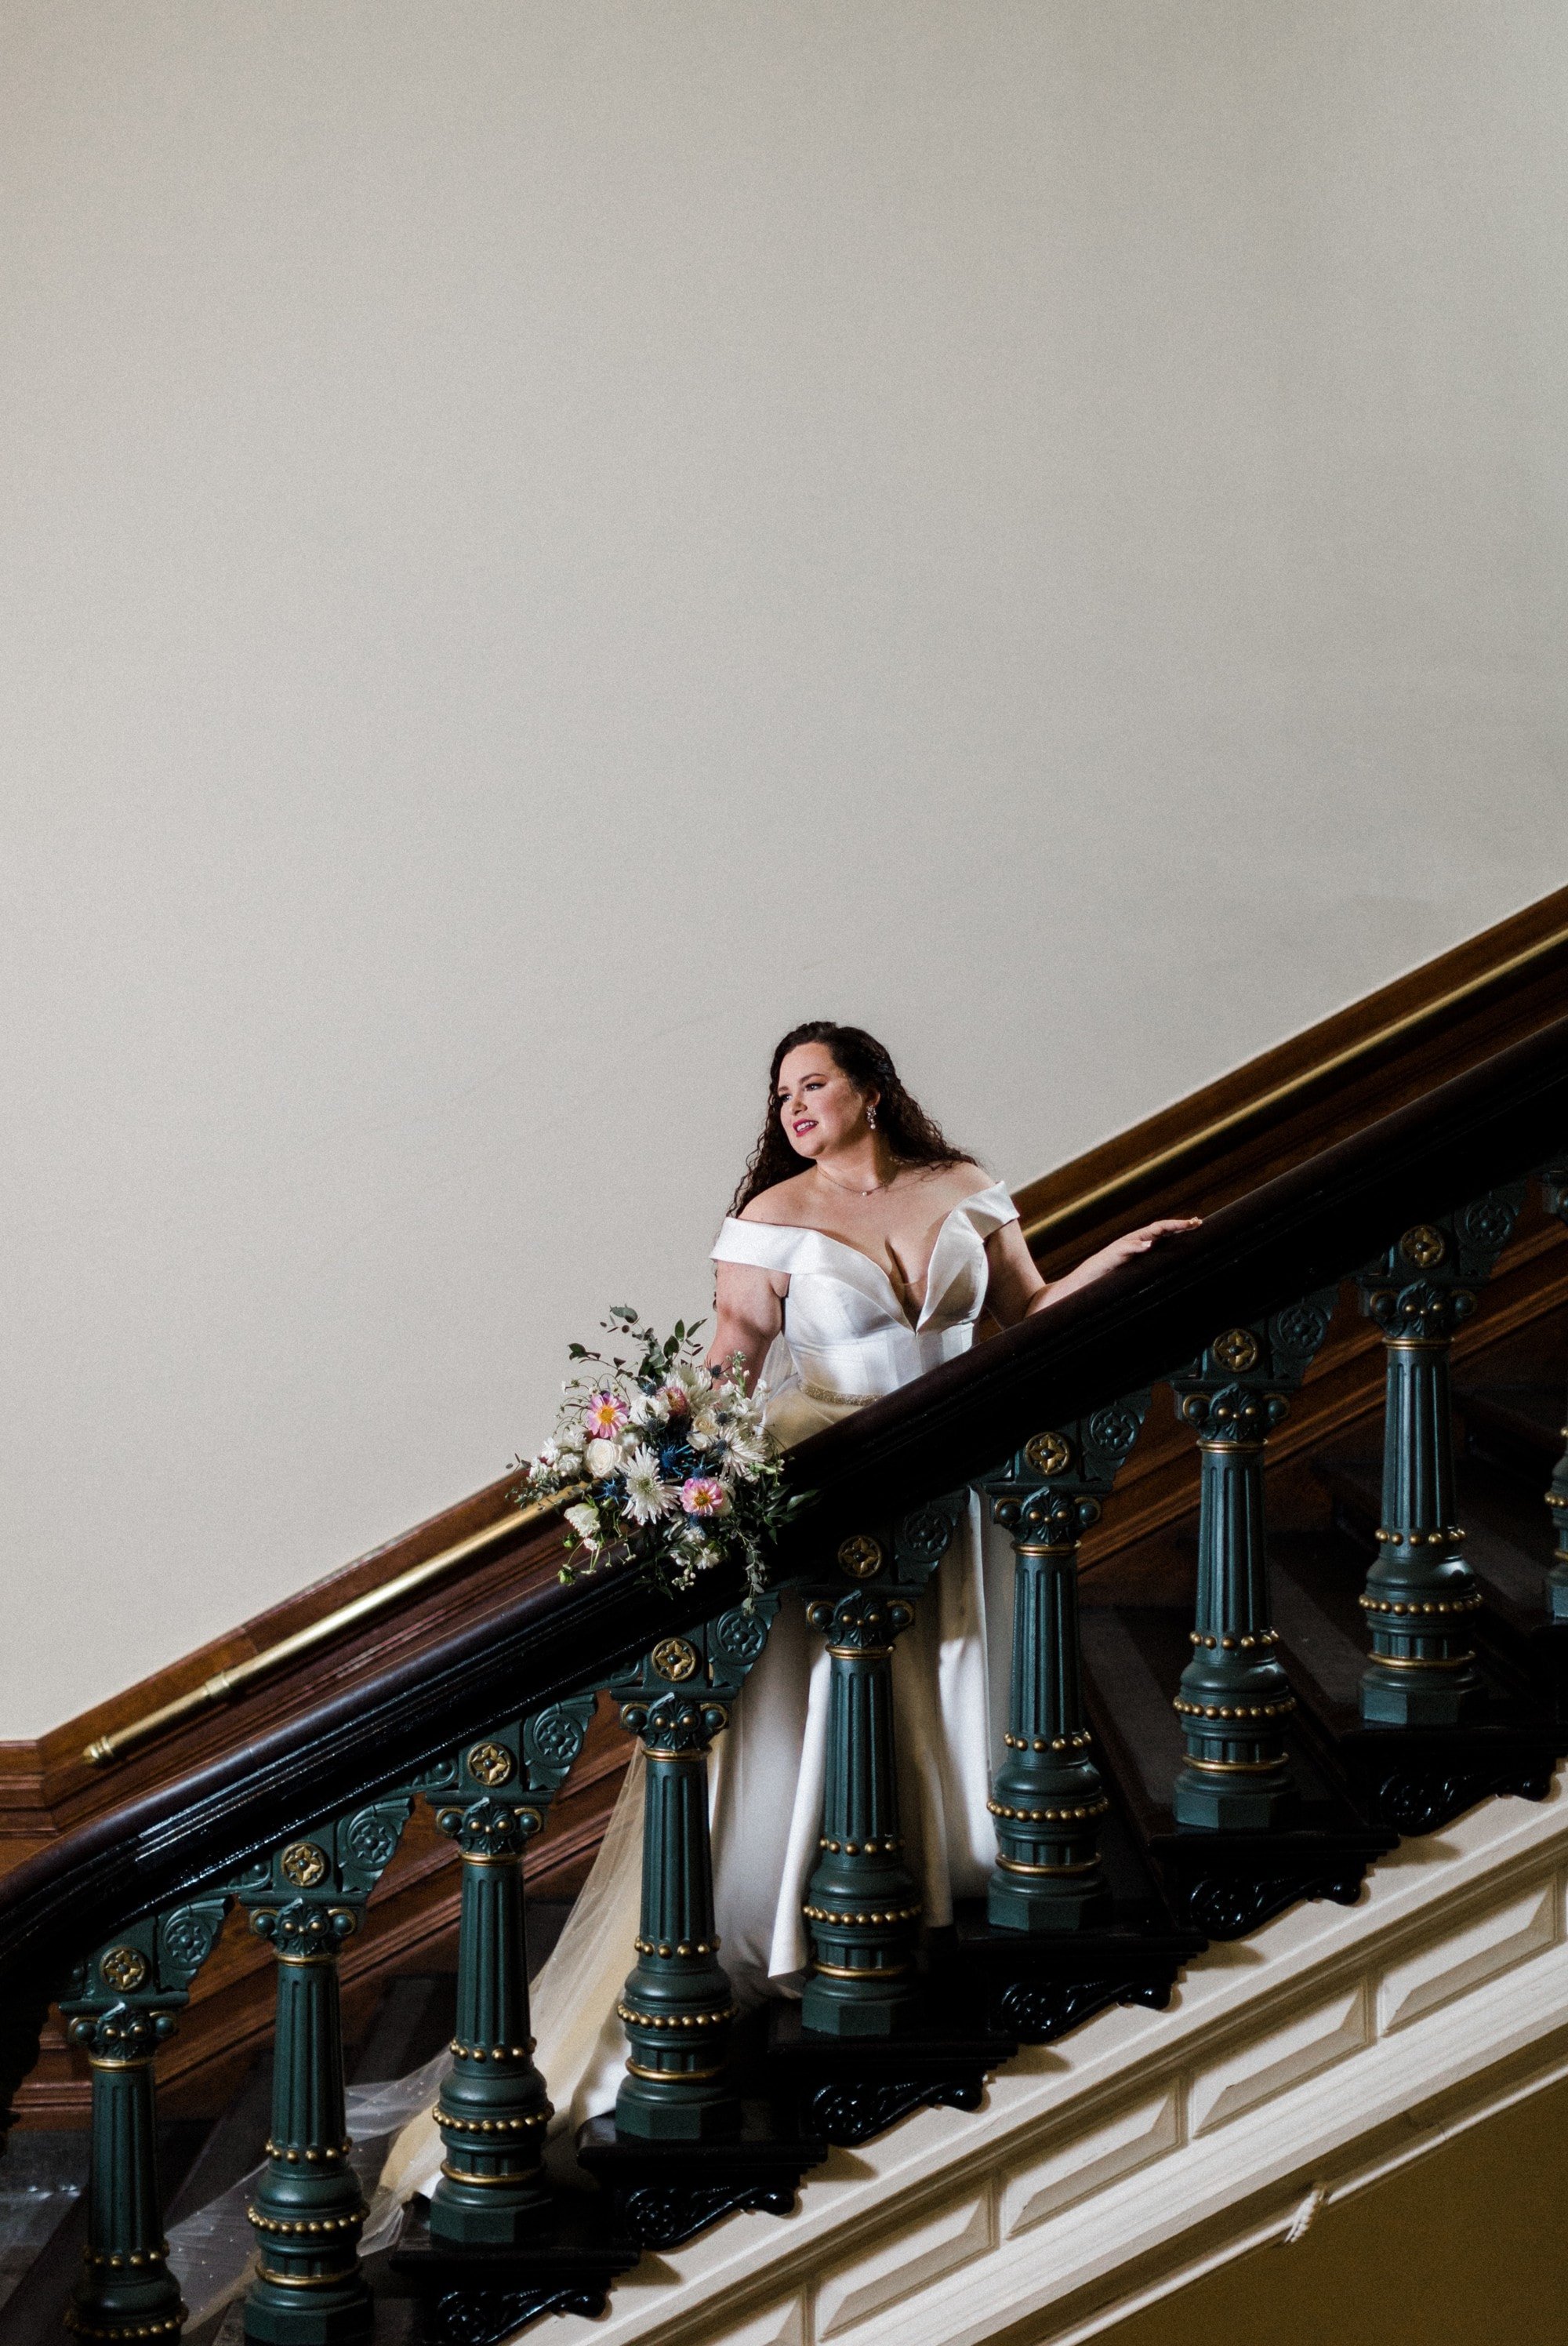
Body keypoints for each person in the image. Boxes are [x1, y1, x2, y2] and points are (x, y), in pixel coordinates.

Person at [381, 1022, 1196, 2203]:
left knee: (964, 1669)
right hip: (841, 1481)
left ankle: (947, 1871)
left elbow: (1031, 1310)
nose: (798, 1105)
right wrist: (649, 1459)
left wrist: (1119, 1256)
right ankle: (830, 1906)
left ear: (871, 1087)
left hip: (967, 1481)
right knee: (839, 1696)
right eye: (784, 1094)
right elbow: (727, 1363)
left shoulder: (966, 1190)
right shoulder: (771, 1217)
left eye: (816, 1083)